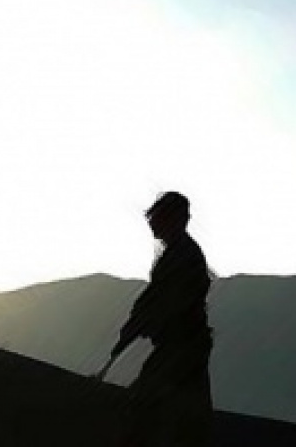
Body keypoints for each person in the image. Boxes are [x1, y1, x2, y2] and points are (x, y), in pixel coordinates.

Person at [98, 191, 214, 446]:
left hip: (182, 346)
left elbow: (166, 301)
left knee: (147, 403)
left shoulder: (182, 256)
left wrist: (139, 324)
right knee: (186, 414)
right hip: (186, 345)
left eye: (158, 217)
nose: (152, 223)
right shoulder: (180, 254)